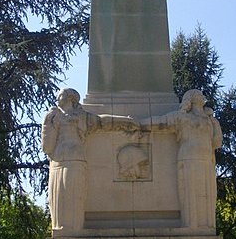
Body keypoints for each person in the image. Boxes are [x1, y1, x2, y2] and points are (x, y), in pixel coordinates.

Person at [41, 88, 135, 231]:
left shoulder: (66, 116)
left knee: (71, 194)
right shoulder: (55, 116)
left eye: (60, 96)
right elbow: (46, 144)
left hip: (70, 159)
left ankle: (71, 228)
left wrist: (124, 121)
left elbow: (103, 121)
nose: (56, 99)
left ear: (70, 99)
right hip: (63, 160)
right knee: (61, 195)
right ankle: (65, 228)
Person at [142, 90, 222, 230]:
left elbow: (216, 143)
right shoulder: (181, 117)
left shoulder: (210, 120)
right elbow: (160, 122)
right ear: (190, 99)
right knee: (189, 192)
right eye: (198, 94)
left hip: (206, 159)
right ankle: (190, 225)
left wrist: (215, 124)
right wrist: (139, 124)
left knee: (207, 193)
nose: (201, 96)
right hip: (188, 158)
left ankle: (207, 225)